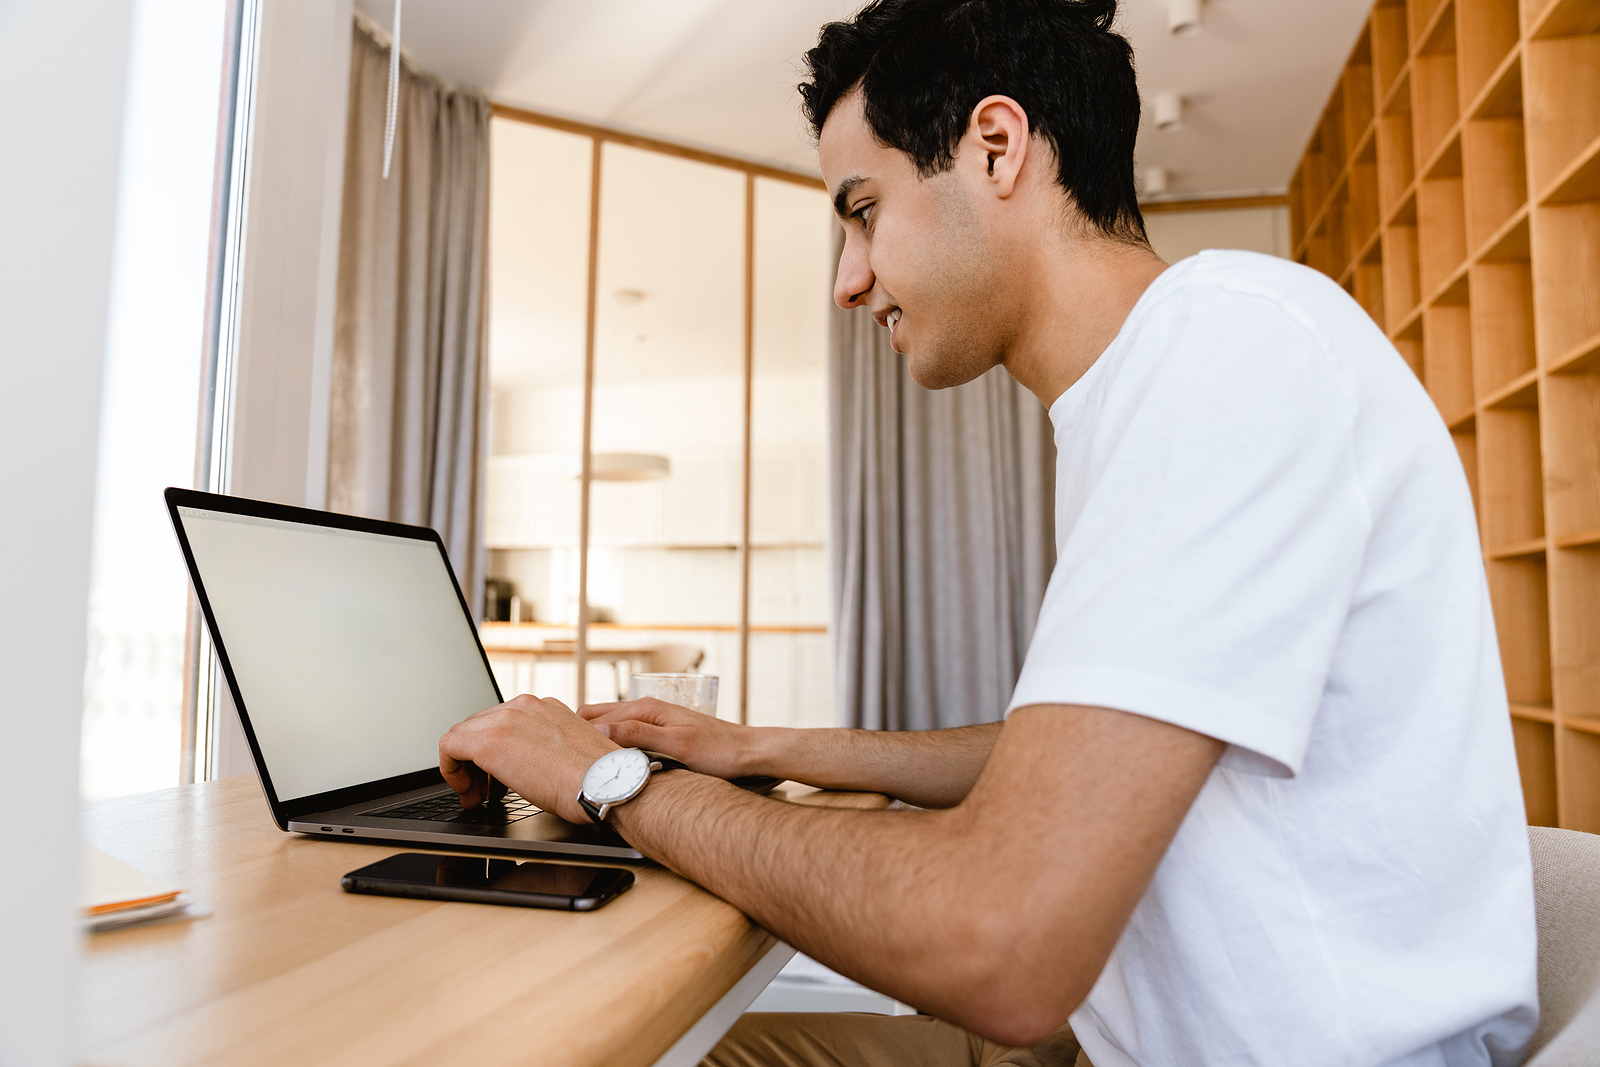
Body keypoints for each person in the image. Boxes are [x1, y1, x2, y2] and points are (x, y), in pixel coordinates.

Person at [438, 0, 1540, 1063]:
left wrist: (617, 781)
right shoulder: (1154, 383)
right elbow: (1088, 758)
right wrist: (764, 748)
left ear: (998, 147)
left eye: (863, 209)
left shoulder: (1229, 352)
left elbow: (997, 944)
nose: (847, 280)